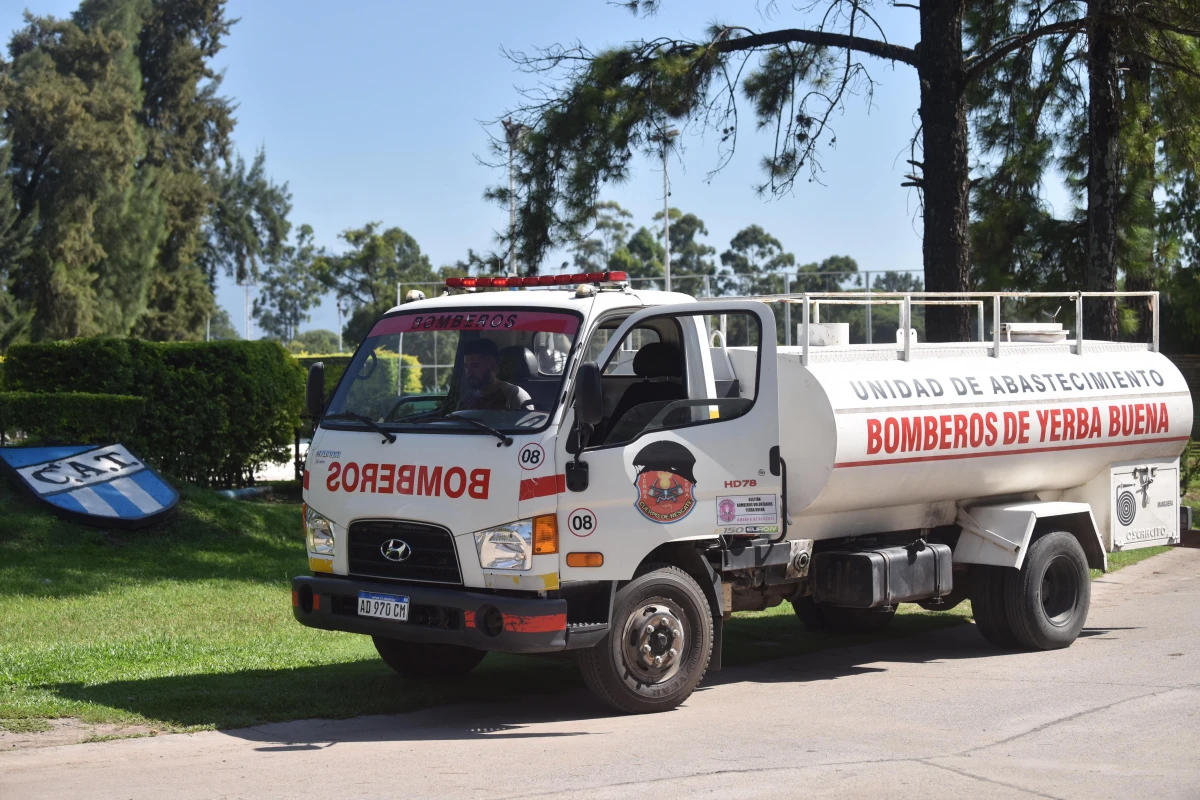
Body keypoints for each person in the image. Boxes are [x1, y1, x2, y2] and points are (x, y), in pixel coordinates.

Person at [458, 338, 533, 411]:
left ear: (492, 365)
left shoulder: (514, 395)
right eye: (466, 366)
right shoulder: (466, 399)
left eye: (475, 366)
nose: (469, 372)